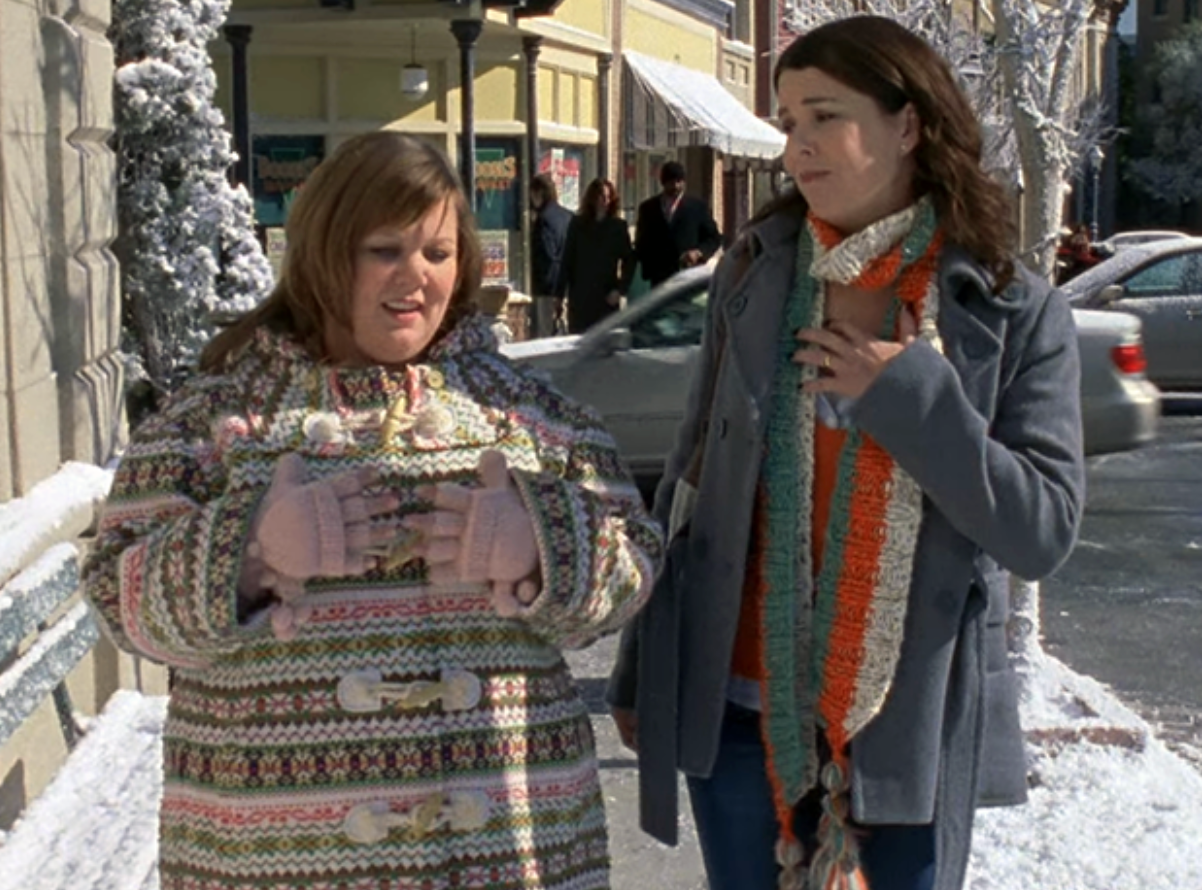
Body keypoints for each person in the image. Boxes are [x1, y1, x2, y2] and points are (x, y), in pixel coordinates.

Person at [83, 131, 663, 890]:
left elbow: (635, 562)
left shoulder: (530, 416)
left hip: (507, 856)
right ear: (326, 255)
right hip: (270, 863)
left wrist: (544, 545)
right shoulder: (215, 419)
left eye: (438, 253)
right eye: (385, 249)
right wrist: (249, 552)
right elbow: (116, 596)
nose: (416, 276)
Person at [607, 17, 1084, 890]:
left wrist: (913, 398)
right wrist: (643, 666)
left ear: (909, 126)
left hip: (906, 731)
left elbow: (1041, 531)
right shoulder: (754, 272)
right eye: (789, 122)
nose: (798, 148)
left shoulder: (1011, 310)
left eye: (825, 116)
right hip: (741, 710)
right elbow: (688, 482)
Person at [558, 177, 636, 333]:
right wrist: (559, 295)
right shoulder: (578, 225)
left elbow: (629, 261)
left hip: (606, 296)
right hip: (581, 297)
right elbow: (567, 260)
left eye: (608, 197)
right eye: (600, 197)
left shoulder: (618, 227)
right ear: (592, 198)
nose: (604, 201)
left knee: (606, 339)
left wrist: (620, 289)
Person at [633, 160, 722, 288]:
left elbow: (714, 237)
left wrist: (698, 252)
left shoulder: (697, 207)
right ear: (663, 183)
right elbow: (641, 242)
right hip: (660, 277)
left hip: (688, 275)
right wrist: (650, 264)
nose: (676, 186)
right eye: (671, 182)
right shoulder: (648, 208)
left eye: (679, 181)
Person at [529, 173, 573, 336]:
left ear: (539, 193)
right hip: (568, 286)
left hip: (547, 289)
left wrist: (552, 291)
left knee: (546, 335)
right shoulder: (568, 216)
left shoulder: (543, 220)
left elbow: (548, 256)